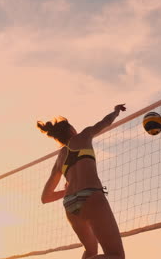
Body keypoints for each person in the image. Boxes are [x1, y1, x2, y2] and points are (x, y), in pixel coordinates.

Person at [37, 104, 126, 259]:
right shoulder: (84, 136)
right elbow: (105, 122)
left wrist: (67, 190)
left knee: (91, 251)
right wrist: (116, 111)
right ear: (72, 129)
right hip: (91, 196)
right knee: (116, 255)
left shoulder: (60, 157)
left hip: (70, 203)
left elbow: (46, 197)